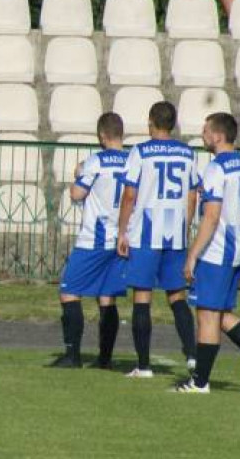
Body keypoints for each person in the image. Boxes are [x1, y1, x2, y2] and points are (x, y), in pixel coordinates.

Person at [176, 112, 240, 394]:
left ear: (218, 135)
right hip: (238, 250)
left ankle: (200, 383)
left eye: (206, 130)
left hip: (218, 251)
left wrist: (192, 254)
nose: (202, 134)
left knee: (207, 315)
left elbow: (211, 217)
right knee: (219, 315)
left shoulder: (216, 169)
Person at [116, 101, 199, 378]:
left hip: (146, 231)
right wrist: (185, 227)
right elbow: (192, 195)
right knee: (177, 295)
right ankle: (192, 355)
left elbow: (130, 195)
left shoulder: (140, 151)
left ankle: (143, 365)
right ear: (173, 123)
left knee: (142, 297)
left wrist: (122, 231)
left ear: (151, 121)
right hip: (174, 231)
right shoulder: (187, 153)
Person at [51, 113, 129, 369]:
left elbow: (76, 194)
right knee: (107, 297)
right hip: (120, 238)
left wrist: (79, 173)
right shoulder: (132, 161)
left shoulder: (95, 162)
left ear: (101, 136)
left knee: (69, 292)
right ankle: (105, 358)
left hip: (94, 238)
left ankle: (72, 354)